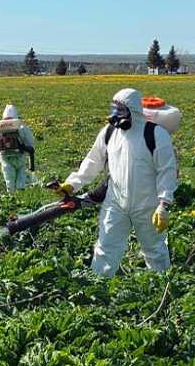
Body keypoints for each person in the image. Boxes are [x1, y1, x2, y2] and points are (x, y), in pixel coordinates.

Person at [54, 88, 178, 277]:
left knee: (155, 250)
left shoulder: (156, 134)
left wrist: (163, 204)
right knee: (105, 248)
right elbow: (93, 161)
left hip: (147, 205)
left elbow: (167, 171)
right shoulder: (109, 133)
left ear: (133, 111)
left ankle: (161, 288)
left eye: (121, 110)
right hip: (115, 203)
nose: (116, 114)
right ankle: (98, 290)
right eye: (115, 109)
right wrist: (72, 184)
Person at [0, 104, 35, 193]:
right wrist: (29, 149)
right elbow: (29, 139)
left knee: (9, 176)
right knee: (21, 172)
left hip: (5, 156)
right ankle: (21, 191)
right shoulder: (20, 125)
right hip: (19, 155)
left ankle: (11, 195)